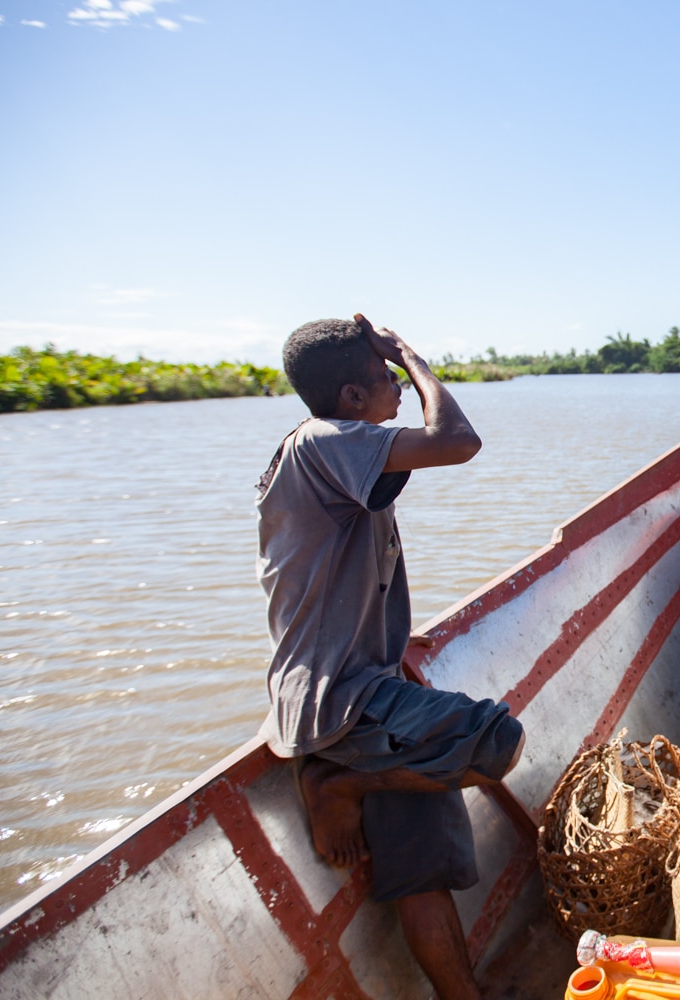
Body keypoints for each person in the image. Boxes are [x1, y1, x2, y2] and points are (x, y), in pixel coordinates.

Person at [255, 314, 524, 1000]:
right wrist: (414, 354)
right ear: (352, 399)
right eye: (387, 380)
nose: (400, 388)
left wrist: (393, 643)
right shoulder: (321, 441)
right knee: (499, 741)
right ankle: (338, 785)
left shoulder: (338, 452)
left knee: (423, 870)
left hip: (369, 693)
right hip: (336, 703)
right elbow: (457, 440)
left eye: (401, 377)